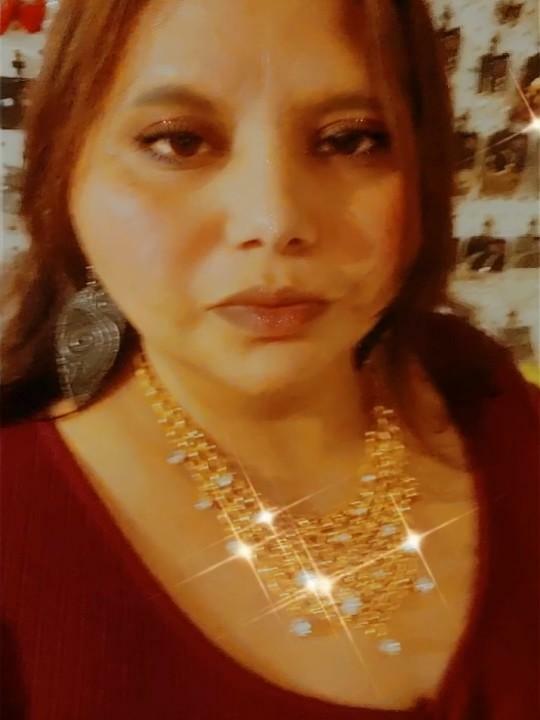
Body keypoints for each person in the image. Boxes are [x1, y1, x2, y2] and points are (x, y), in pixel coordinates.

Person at [1, 1, 538, 718]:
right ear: (65, 172)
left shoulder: (489, 400)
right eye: (178, 142)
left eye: (350, 139)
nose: (275, 219)